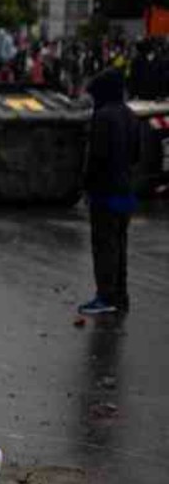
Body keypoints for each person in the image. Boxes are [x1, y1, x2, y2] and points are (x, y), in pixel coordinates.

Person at [78, 68, 139, 315]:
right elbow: (136, 155)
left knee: (104, 244)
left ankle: (105, 296)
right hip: (126, 190)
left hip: (105, 191)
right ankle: (120, 295)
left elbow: (96, 158)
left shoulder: (102, 117)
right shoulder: (131, 116)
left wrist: (86, 187)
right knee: (120, 244)